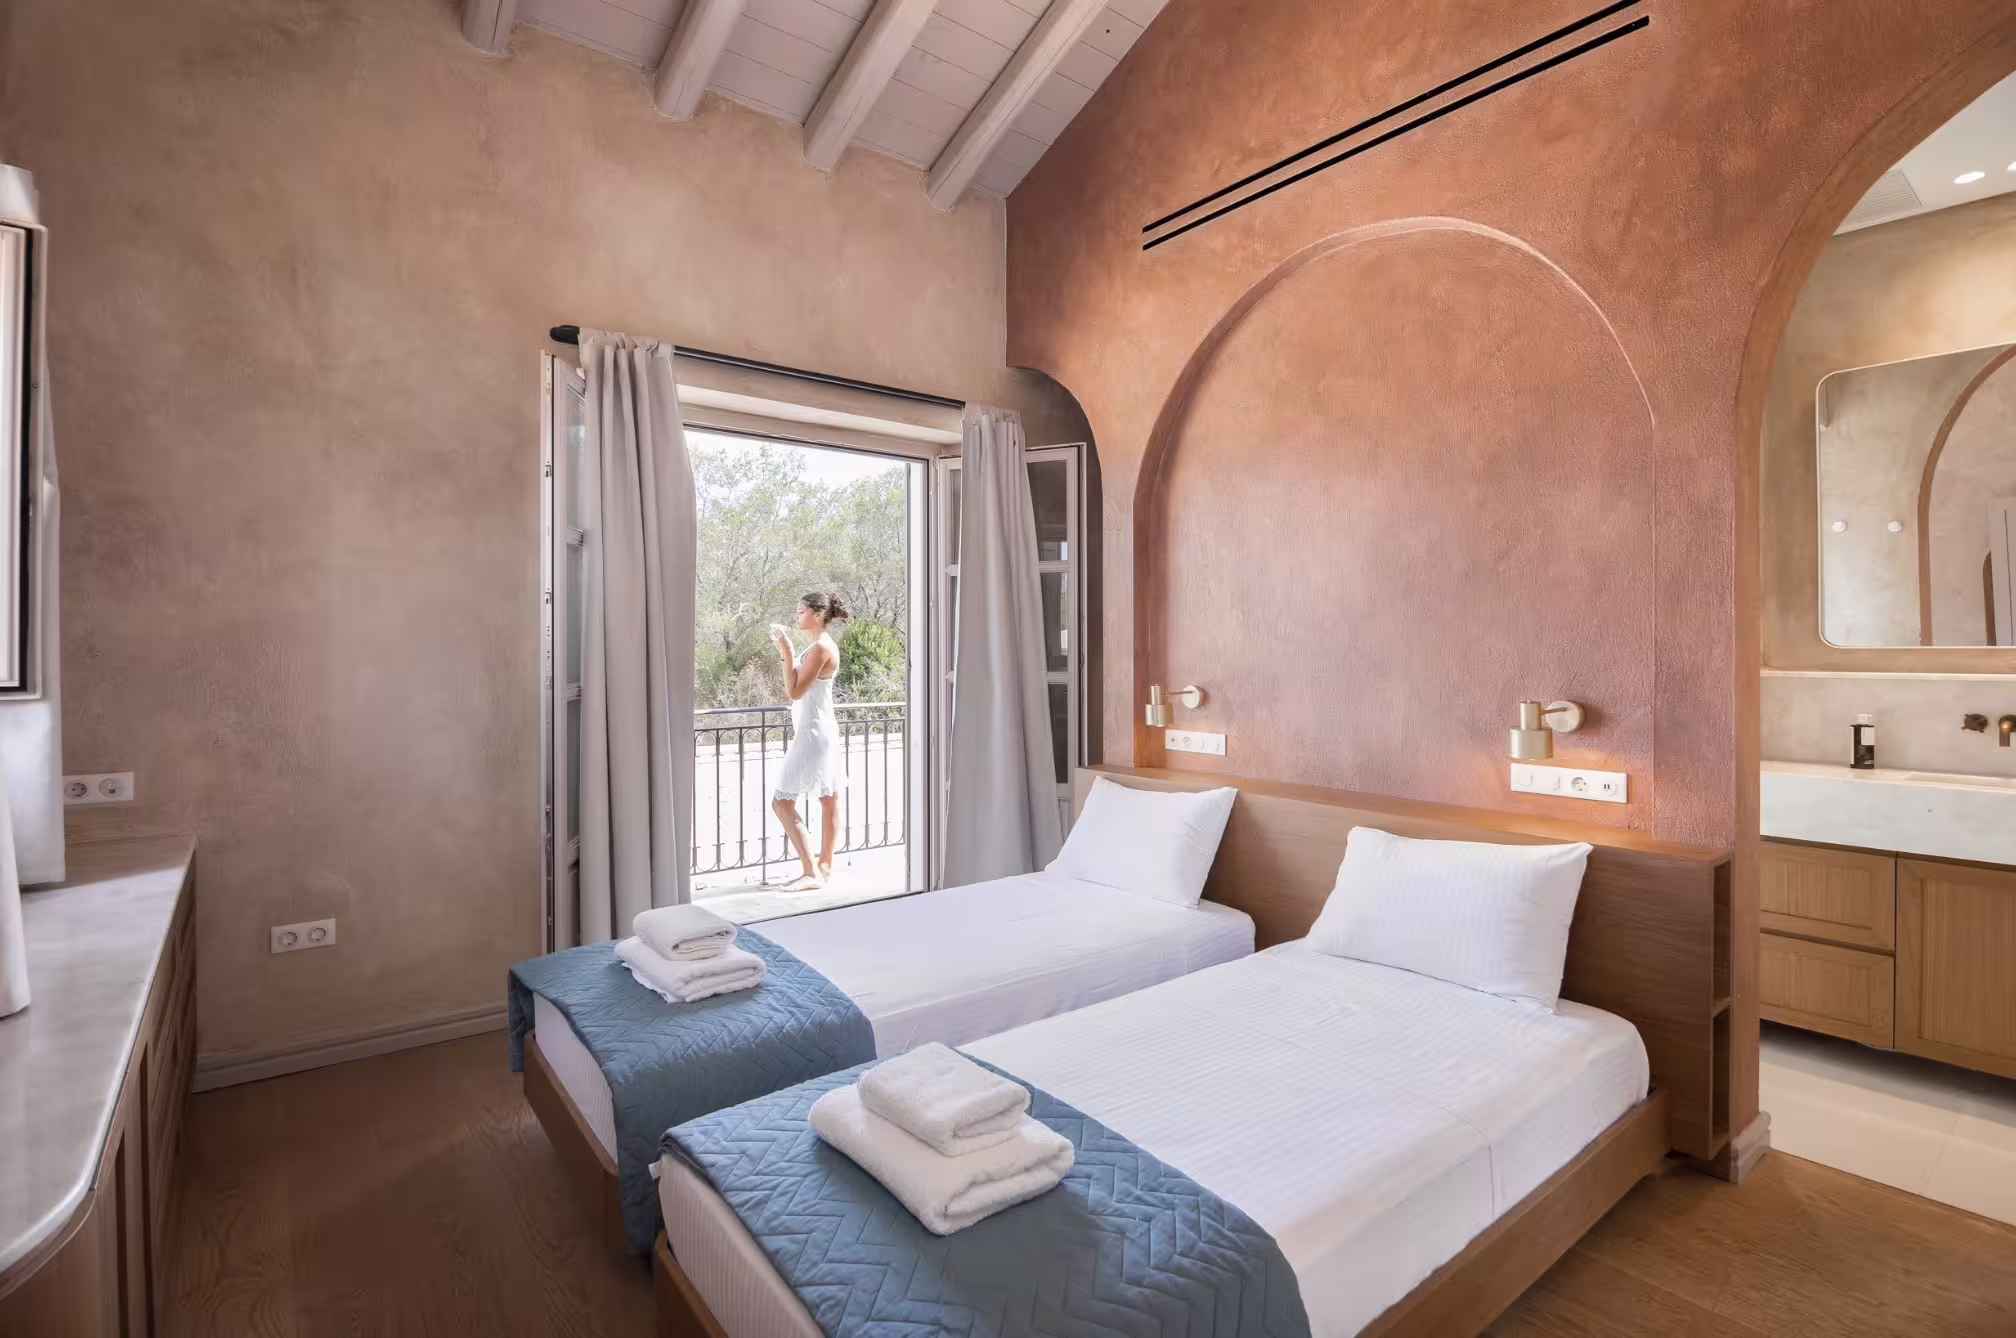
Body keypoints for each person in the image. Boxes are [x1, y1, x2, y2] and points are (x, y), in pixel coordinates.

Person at [769, 592, 849, 889]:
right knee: (828, 798)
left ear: (817, 614)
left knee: (781, 803)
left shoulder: (820, 648)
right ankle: (824, 867)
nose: (797, 615)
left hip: (813, 732)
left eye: (801, 611)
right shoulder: (821, 646)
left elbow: (794, 692)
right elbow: (798, 683)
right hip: (818, 728)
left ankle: (811, 872)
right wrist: (788, 653)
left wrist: (787, 650)